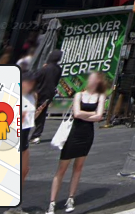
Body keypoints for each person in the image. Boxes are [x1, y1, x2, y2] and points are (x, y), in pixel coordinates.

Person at [47, 70, 110, 214]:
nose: (91, 80)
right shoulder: (79, 95)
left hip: (87, 134)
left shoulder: (100, 96)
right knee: (62, 167)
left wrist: (86, 115)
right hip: (73, 133)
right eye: (91, 78)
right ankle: (52, 202)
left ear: (98, 81)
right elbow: (77, 113)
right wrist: (92, 114)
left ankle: (71, 198)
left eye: (94, 78)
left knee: (78, 167)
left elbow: (99, 116)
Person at [31, 50, 63, 143]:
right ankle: (36, 135)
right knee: (41, 114)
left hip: (37, 93)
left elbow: (35, 78)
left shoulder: (44, 68)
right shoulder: (58, 69)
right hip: (48, 95)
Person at [20, 71, 36, 197]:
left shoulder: (32, 96)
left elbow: (30, 118)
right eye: (28, 82)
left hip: (25, 136)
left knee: (24, 171)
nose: (31, 85)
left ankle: (15, 206)